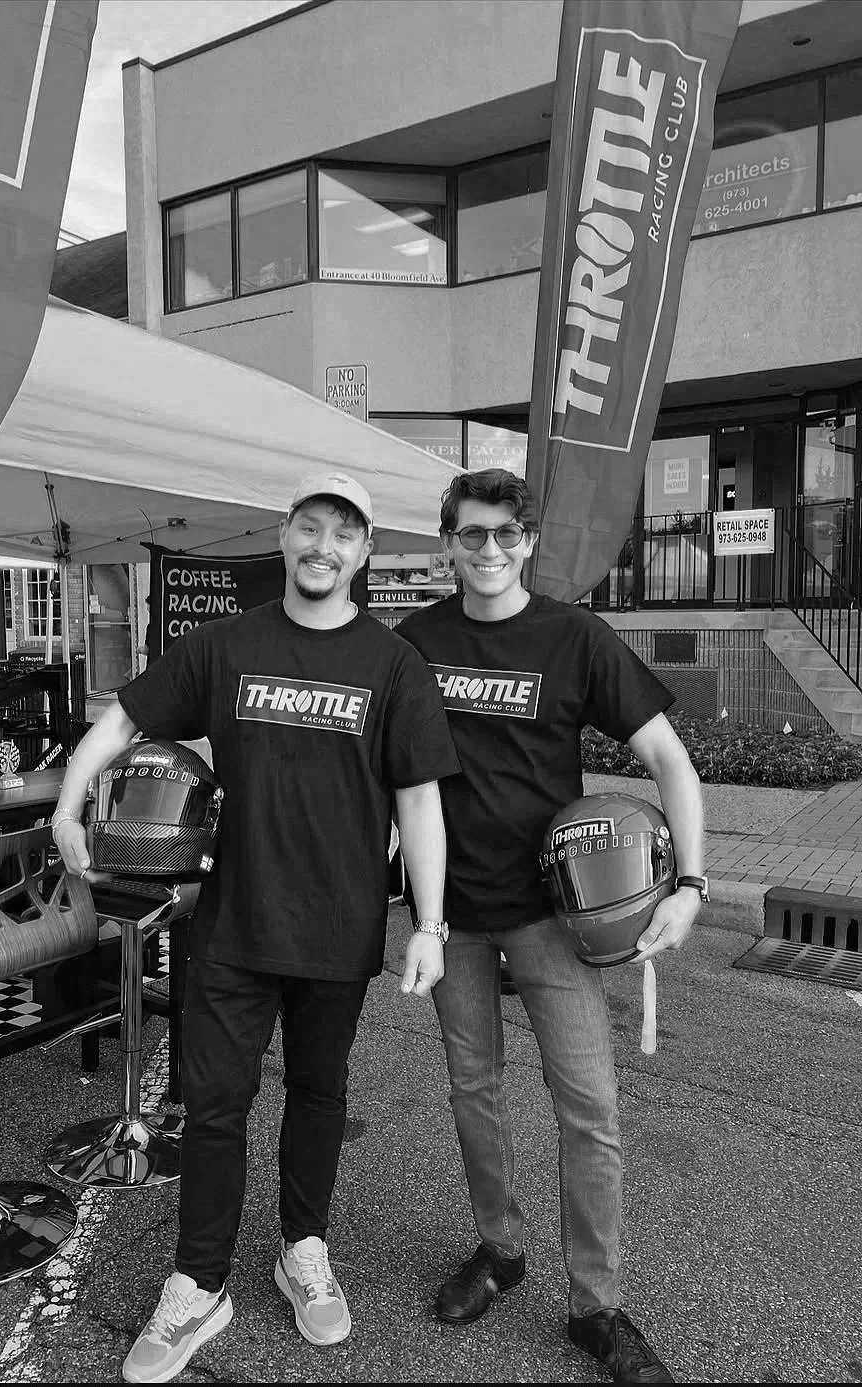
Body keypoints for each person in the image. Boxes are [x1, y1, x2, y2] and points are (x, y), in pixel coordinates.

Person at [51, 470, 460, 1384]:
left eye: (344, 534)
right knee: (216, 1107)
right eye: (310, 527)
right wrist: (69, 803)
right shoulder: (227, 644)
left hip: (340, 927)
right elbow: (123, 717)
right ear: (285, 536)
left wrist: (430, 923)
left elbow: (420, 799)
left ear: (364, 552)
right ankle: (199, 1283)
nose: (325, 546)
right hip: (233, 922)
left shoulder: (393, 665)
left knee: (320, 1095)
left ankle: (302, 1249)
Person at [397, 469, 705, 1385]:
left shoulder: (573, 636)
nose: (488, 550)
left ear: (528, 540)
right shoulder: (414, 643)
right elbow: (377, 771)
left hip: (552, 915)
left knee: (592, 1111)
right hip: (450, 911)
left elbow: (669, 760)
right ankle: (499, 1250)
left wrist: (689, 883)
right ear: (446, 540)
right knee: (472, 1090)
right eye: (471, 534)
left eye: (505, 534)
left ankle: (595, 1308)